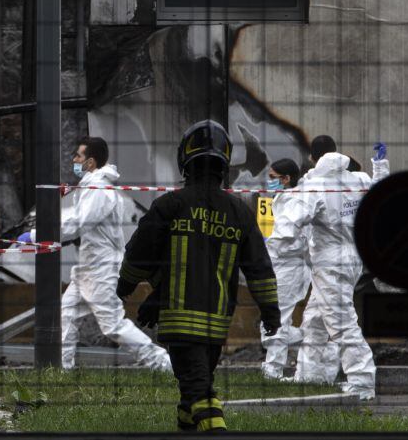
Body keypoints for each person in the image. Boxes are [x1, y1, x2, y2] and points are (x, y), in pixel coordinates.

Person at [116, 120, 280, 432]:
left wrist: (126, 284)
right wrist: (270, 312)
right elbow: (259, 269)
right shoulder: (239, 212)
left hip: (179, 320)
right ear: (224, 163)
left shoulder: (170, 205)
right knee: (192, 388)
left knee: (200, 392)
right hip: (216, 323)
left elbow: (140, 252)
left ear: (185, 160)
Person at [18, 137, 172, 372]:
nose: (74, 160)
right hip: (88, 268)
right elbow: (78, 217)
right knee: (65, 315)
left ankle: (164, 364)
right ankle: (62, 370)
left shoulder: (99, 189)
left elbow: (79, 222)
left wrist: (38, 234)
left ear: (90, 162)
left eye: (78, 156)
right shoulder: (92, 186)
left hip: (101, 270)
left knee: (113, 326)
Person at [280, 136, 389, 399]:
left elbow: (290, 224)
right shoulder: (355, 180)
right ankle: (310, 374)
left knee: (341, 322)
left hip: (329, 263)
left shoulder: (316, 186)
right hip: (352, 259)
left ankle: (362, 382)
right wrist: (381, 164)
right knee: (315, 319)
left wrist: (279, 249)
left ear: (313, 159)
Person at [259, 158, 311, 381]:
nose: (269, 182)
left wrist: (259, 251)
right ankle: (316, 340)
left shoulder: (296, 202)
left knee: (278, 319)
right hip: (280, 265)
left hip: (290, 267)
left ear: (287, 179)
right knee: (269, 323)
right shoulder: (281, 198)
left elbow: (285, 236)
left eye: (273, 178)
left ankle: (273, 370)